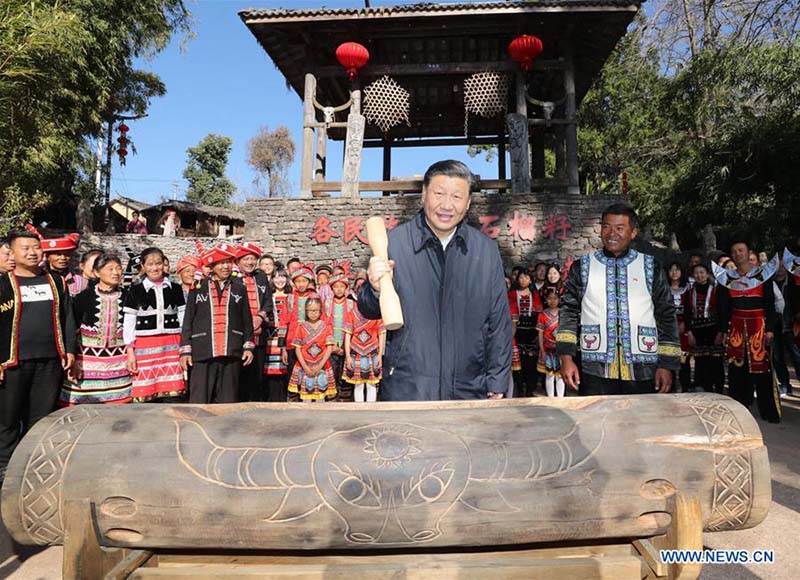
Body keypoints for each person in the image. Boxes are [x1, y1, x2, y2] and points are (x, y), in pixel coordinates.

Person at [358, 159, 512, 401]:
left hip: (470, 387)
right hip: (408, 387)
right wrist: (375, 289)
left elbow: (499, 323)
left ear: (468, 202)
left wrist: (498, 380)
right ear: (423, 194)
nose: (447, 205)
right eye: (439, 194)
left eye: (457, 197)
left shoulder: (485, 250)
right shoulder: (394, 243)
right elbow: (367, 309)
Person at [557, 203, 680, 395]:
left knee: (641, 423)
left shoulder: (650, 266)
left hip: (644, 368)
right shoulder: (582, 267)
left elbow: (666, 315)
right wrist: (566, 357)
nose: (611, 233)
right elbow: (568, 312)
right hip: (594, 368)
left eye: (619, 228)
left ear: (633, 232)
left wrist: (667, 364)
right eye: (606, 227)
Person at [0, 231, 76, 483]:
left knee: (40, 419)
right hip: (12, 363)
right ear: (12, 252)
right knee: (8, 419)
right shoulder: (3, 284)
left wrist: (71, 350)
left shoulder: (55, 281)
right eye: (26, 248)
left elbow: (67, 317)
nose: (32, 252)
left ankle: (33, 469)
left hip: (50, 361)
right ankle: (5, 471)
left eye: (36, 247)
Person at [180, 244, 255, 404]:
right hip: (202, 350)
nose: (226, 266)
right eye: (221, 262)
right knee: (199, 399)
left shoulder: (239, 289)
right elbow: (188, 319)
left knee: (228, 400)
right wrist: (185, 350)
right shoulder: (198, 288)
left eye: (229, 262)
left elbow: (246, 320)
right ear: (212, 265)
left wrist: (248, 346)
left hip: (231, 350)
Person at [716, 242, 781, 422]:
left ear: (748, 253)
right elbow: (723, 308)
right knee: (737, 369)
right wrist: (724, 330)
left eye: (741, 250)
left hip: (758, 326)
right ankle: (740, 410)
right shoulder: (726, 278)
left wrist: (770, 329)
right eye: (734, 251)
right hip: (736, 326)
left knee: (762, 369)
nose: (737, 254)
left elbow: (770, 304)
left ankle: (768, 411)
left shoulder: (763, 276)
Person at [60, 254, 132, 406]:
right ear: (97, 273)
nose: (116, 273)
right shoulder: (83, 298)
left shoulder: (128, 297)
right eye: (110, 269)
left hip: (119, 364)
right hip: (86, 363)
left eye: (118, 268)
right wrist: (73, 359)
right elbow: (72, 328)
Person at [123, 247, 186, 402]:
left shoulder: (176, 289)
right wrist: (130, 350)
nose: (155, 268)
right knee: (146, 392)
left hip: (171, 346)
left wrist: (185, 345)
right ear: (143, 267)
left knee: (173, 393)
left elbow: (183, 317)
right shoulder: (135, 290)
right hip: (145, 346)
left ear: (164, 264)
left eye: (158, 263)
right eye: (150, 264)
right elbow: (129, 321)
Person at [234, 242, 272, 402]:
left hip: (259, 332)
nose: (250, 262)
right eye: (246, 259)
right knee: (240, 372)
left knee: (258, 374)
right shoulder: (232, 279)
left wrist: (260, 316)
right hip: (239, 334)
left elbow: (268, 301)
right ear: (238, 261)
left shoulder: (261, 277)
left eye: (253, 259)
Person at [683, 263, 725, 393]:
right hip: (697, 331)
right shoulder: (690, 291)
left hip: (713, 329)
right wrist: (689, 332)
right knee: (700, 360)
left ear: (707, 274)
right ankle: (705, 387)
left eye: (702, 272)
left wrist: (721, 332)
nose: (699, 275)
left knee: (716, 360)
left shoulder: (716, 289)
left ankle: (718, 388)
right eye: (696, 273)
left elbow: (722, 311)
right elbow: (687, 313)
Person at [287, 295, 336, 402]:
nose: (313, 313)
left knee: (321, 398)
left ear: (320, 311)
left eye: (315, 310)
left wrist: (320, 365)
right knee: (306, 398)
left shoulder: (326, 326)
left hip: (322, 365)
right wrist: (305, 367)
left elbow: (329, 348)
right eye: (310, 311)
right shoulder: (301, 326)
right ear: (306, 311)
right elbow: (297, 349)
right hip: (304, 365)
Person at [508, 269, 542, 397]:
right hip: (516, 331)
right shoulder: (512, 294)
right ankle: (520, 389)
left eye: (526, 277)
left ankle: (530, 388)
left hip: (532, 332)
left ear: (530, 280)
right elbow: (512, 314)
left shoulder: (535, 294)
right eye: (521, 277)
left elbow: (539, 314)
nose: (523, 280)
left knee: (531, 362)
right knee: (518, 363)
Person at [343, 302, 385, 403]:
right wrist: (348, 356)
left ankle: (371, 411)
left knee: (372, 384)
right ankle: (359, 411)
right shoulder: (352, 313)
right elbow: (348, 335)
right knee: (358, 384)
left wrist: (380, 355)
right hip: (356, 351)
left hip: (373, 351)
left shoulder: (377, 313)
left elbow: (381, 334)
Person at [325, 273, 356, 401]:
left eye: (342, 286)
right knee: (332, 372)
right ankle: (333, 397)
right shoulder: (326, 304)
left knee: (346, 373)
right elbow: (324, 325)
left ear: (346, 289)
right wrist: (332, 345)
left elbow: (355, 325)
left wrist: (345, 347)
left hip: (347, 345)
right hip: (331, 346)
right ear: (331, 289)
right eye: (335, 286)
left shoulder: (351, 304)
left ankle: (346, 398)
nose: (339, 289)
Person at [264, 268, 291, 402]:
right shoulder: (269, 297)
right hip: (271, 338)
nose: (280, 280)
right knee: (271, 370)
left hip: (286, 337)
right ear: (272, 280)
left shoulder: (291, 297)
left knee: (285, 369)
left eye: (282, 277)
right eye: (276, 277)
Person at [667, 261, 692, 391]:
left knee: (684, 360)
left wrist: (686, 325)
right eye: (671, 270)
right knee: (669, 358)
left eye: (677, 269)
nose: (674, 272)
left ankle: (685, 387)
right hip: (668, 329)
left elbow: (690, 309)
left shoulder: (688, 288)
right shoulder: (664, 288)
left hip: (683, 330)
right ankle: (670, 387)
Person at [537, 287, 565, 397]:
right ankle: (550, 398)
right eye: (549, 298)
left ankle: (560, 398)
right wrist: (542, 350)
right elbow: (540, 333)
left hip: (561, 349)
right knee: (549, 375)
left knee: (560, 375)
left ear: (559, 300)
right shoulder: (542, 315)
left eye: (555, 298)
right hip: (547, 349)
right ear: (546, 300)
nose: (552, 301)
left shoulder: (563, 314)